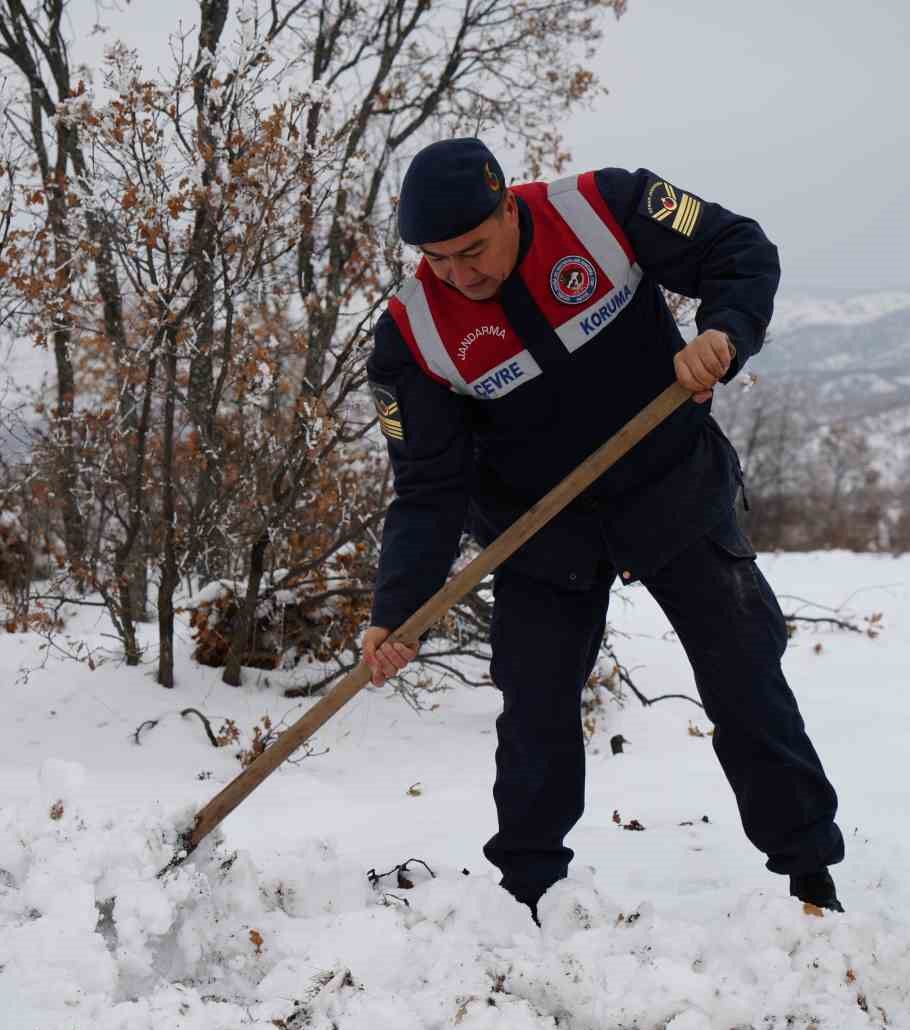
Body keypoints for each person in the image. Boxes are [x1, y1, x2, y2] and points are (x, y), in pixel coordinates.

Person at [360, 137, 845, 918]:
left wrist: (723, 332)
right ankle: (528, 893)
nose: (459, 274)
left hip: (673, 487)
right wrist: (399, 608)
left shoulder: (604, 208)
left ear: (508, 206)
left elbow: (739, 247)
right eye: (437, 258)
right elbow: (427, 488)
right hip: (539, 533)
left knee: (744, 674)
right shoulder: (412, 336)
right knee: (535, 709)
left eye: (473, 250)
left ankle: (809, 876)